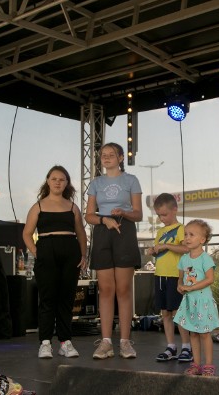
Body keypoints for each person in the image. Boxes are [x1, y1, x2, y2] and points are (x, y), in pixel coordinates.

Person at [22, 165, 88, 359]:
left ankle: (65, 342)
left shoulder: (72, 207)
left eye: (62, 179)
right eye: (54, 179)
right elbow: (26, 233)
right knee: (48, 299)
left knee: (66, 299)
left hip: (70, 251)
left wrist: (84, 256)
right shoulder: (38, 206)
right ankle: (45, 343)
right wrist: (36, 252)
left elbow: (81, 233)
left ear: (67, 183)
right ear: (48, 181)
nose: (58, 182)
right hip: (46, 251)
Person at [85, 142, 142, 359]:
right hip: (103, 230)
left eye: (111, 154)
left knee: (124, 289)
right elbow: (88, 215)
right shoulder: (96, 183)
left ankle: (125, 342)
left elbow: (139, 214)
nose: (106, 158)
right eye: (103, 155)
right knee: (106, 289)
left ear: (120, 157)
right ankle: (106, 342)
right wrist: (104, 219)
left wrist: (124, 213)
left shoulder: (131, 180)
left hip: (124, 230)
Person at [146, 193, 192, 362]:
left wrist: (165, 245)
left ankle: (187, 347)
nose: (162, 218)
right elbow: (160, 252)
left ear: (175, 209)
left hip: (175, 275)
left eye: (164, 214)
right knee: (165, 312)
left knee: (178, 312)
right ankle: (171, 346)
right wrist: (153, 250)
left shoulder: (181, 229)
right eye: (159, 215)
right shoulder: (160, 231)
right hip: (160, 275)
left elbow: (185, 249)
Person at [173, 219, 219, 376]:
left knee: (204, 333)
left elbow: (209, 279)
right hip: (190, 301)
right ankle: (196, 364)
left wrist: (191, 287)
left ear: (202, 239)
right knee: (192, 332)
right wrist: (180, 285)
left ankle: (208, 364)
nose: (187, 238)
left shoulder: (205, 258)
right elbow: (180, 277)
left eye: (191, 234)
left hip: (202, 301)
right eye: (186, 234)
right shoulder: (184, 259)